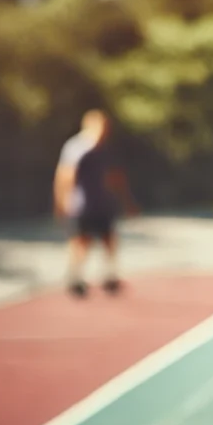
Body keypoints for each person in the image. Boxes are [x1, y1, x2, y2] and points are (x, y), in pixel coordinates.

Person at [54, 110, 133, 297]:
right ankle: (74, 278)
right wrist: (61, 203)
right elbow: (65, 176)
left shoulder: (103, 149)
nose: (105, 131)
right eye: (102, 127)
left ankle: (109, 277)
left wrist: (127, 201)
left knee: (109, 239)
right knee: (81, 241)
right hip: (80, 206)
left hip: (101, 203)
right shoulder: (76, 147)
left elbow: (114, 177)